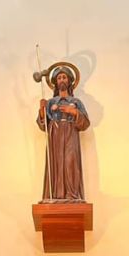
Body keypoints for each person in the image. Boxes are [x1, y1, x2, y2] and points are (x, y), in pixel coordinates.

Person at [36, 65, 90, 201]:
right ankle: (55, 195)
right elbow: (43, 125)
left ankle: (72, 195)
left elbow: (85, 123)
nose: (61, 80)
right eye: (59, 78)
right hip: (55, 135)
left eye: (64, 77)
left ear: (69, 81)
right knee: (56, 162)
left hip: (71, 133)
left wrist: (74, 112)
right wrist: (42, 110)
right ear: (55, 82)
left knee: (70, 162)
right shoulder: (50, 103)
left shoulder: (76, 102)